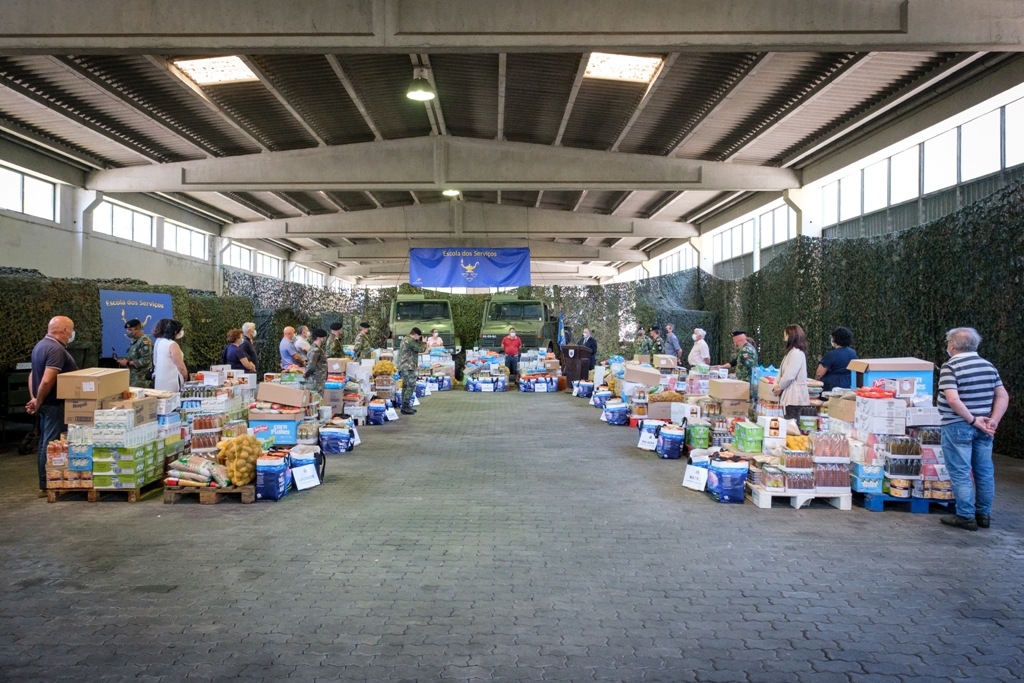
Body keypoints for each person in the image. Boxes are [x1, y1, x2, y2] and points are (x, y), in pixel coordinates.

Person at [937, 327, 1009, 531]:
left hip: (959, 424)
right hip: (985, 427)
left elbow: (952, 399)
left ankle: (965, 515)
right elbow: (1002, 395)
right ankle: (983, 514)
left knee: (960, 471)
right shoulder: (988, 366)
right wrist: (993, 420)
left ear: (951, 345)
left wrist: (971, 420)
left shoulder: (950, 366)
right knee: (984, 471)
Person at [27, 316, 78, 496]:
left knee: (44, 442)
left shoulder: (40, 345)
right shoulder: (55, 349)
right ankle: (46, 485)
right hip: (54, 404)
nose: (72, 333)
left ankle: (46, 483)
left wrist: (34, 398)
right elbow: (48, 380)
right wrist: (38, 401)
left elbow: (33, 375)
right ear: (64, 330)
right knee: (51, 444)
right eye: (71, 330)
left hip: (46, 403)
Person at [772, 324, 810, 419]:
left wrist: (779, 387)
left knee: (792, 425)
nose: (784, 336)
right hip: (789, 395)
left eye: (786, 333)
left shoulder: (797, 353)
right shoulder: (791, 353)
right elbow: (781, 372)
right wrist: (776, 385)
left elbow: (789, 375)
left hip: (794, 397)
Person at [815, 326, 858, 392]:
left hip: (832, 387)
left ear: (834, 339)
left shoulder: (831, 355)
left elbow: (819, 373)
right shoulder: (853, 353)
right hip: (849, 385)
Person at [152, 318, 188, 393]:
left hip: (160, 381)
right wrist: (186, 377)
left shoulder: (161, 342)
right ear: (175, 332)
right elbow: (181, 367)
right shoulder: (172, 345)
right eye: (181, 330)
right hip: (172, 381)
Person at [398, 327, 426, 415]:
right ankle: (405, 406)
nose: (419, 338)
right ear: (415, 335)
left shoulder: (406, 339)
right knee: (410, 386)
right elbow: (420, 349)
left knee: (406, 386)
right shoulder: (410, 341)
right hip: (409, 367)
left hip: (405, 367)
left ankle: (405, 406)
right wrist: (424, 342)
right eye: (419, 337)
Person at [118, 318, 153, 388]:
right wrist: (125, 359)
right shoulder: (135, 340)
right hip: (133, 377)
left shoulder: (144, 341)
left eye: (130, 330)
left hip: (141, 380)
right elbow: (135, 356)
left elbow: (146, 360)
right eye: (127, 329)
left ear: (138, 329)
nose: (128, 331)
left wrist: (128, 363)